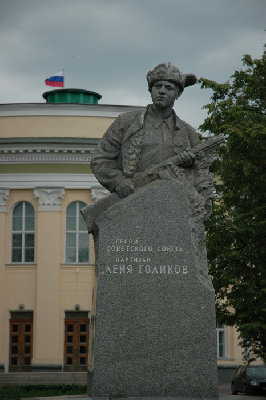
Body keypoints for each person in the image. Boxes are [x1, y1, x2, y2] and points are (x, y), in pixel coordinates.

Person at [91, 62, 200, 198]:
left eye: (168, 88)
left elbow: (201, 174)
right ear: (150, 90)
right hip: (133, 200)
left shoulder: (188, 133)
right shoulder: (126, 122)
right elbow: (100, 159)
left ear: (178, 93)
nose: (161, 91)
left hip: (173, 203)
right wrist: (118, 182)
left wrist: (190, 164)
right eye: (157, 86)